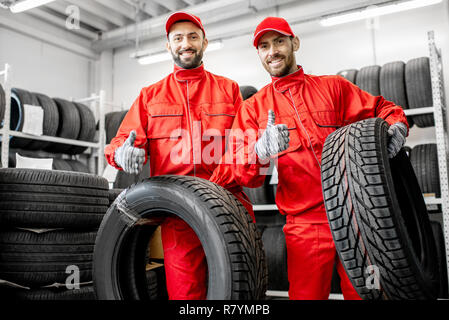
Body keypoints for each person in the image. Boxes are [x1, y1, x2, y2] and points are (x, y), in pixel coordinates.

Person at [210, 16, 408, 300]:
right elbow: (239, 172)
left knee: (370, 293)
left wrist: (398, 125)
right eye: (264, 46)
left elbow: (381, 109)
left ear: (295, 43)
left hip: (359, 220)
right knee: (306, 296)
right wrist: (259, 150)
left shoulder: (333, 88)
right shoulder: (253, 109)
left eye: (279, 41)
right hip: (305, 227)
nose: (272, 51)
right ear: (259, 54)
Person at [105, 11, 254, 300]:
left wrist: (260, 149)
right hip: (180, 219)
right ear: (168, 46)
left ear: (205, 43)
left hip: (230, 205)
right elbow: (123, 141)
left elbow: (244, 145)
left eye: (193, 37)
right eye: (178, 38)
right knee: (187, 296)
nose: (186, 43)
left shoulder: (229, 89)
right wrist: (122, 154)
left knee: (240, 294)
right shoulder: (150, 95)